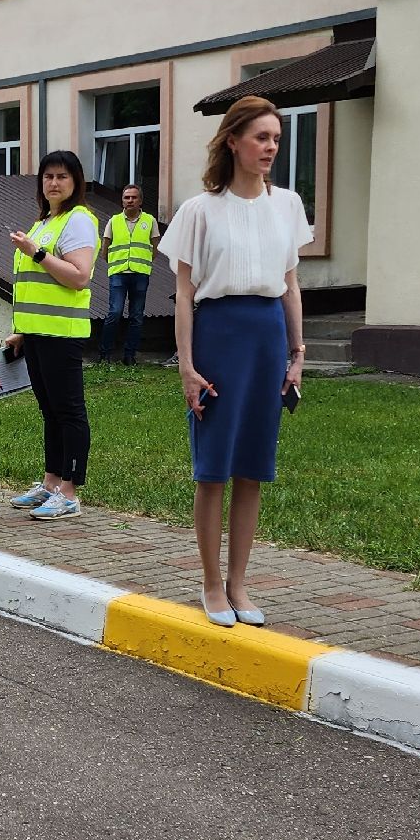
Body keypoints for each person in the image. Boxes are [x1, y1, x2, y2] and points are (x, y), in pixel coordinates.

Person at [164, 96, 311, 627]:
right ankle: (210, 583)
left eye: (276, 139)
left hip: (267, 337)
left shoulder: (288, 205)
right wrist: (187, 366)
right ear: (233, 141)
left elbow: (291, 284)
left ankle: (239, 583)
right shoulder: (199, 210)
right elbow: (184, 294)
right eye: (261, 137)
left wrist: (298, 353)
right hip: (219, 336)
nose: (271, 147)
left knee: (252, 467)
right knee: (213, 469)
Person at [3, 151, 98, 522]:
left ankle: (69, 493)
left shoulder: (78, 220)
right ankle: (50, 483)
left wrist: (36, 252)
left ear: (76, 181)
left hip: (62, 332)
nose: (54, 183)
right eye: (48, 176)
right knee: (50, 411)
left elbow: (79, 276)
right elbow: (34, 285)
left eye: (62, 176)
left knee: (69, 411)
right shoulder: (44, 221)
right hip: (38, 333)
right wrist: (22, 332)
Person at [99, 186, 159, 364]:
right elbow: (104, 249)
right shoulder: (114, 221)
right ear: (122, 200)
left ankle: (130, 355)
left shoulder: (150, 220)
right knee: (115, 312)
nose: (130, 200)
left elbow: (155, 248)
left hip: (140, 273)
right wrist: (115, 263)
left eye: (134, 197)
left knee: (136, 316)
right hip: (118, 273)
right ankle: (105, 354)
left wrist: (143, 261)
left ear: (140, 200)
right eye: (127, 197)